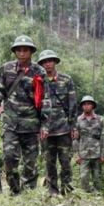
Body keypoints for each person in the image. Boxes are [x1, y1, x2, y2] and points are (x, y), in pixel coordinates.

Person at [0, 35, 47, 194]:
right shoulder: (6, 69)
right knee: (9, 157)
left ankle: (28, 192)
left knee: (30, 162)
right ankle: (15, 190)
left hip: (31, 124)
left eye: (25, 50)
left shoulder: (39, 71)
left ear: (31, 52)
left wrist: (45, 125)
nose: (22, 53)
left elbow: (45, 100)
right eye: (19, 50)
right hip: (11, 122)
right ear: (15, 52)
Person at [37, 49, 77, 195]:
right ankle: (52, 190)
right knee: (49, 162)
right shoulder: (38, 81)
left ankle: (66, 189)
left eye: (50, 61)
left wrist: (73, 126)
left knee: (65, 161)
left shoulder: (66, 80)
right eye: (44, 62)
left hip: (64, 128)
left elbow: (72, 104)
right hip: (46, 129)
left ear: (55, 62)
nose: (47, 64)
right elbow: (35, 105)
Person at [73, 95, 104, 193]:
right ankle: (86, 197)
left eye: (89, 104)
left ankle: (98, 197)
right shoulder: (78, 120)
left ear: (93, 106)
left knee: (97, 178)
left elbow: (103, 138)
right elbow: (75, 139)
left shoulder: (100, 120)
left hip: (97, 153)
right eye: (84, 104)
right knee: (84, 178)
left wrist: (103, 154)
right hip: (83, 153)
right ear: (82, 106)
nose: (86, 106)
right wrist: (76, 155)